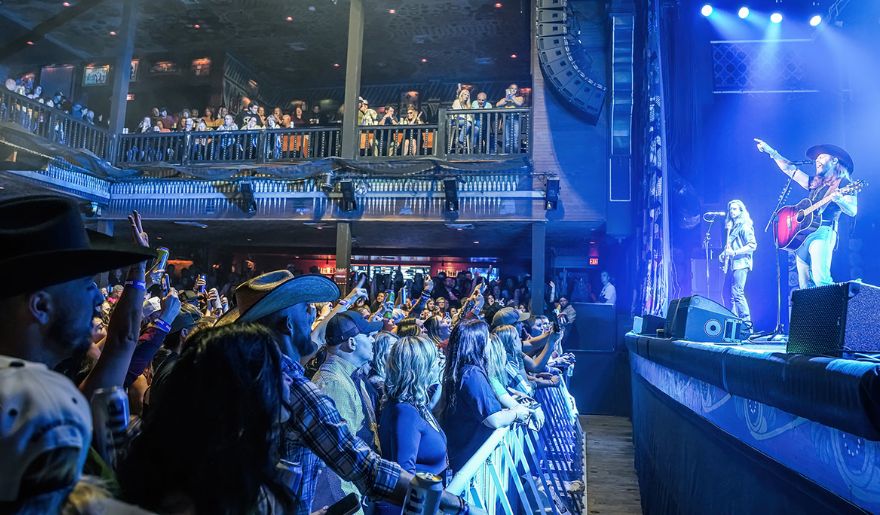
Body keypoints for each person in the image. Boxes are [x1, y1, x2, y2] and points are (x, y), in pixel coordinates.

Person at [217, 271, 469, 515]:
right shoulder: (294, 388)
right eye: (307, 309)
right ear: (288, 324)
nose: (313, 317)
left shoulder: (240, 379)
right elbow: (364, 467)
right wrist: (457, 504)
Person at [118, 324, 296, 514]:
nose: (289, 380)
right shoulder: (208, 494)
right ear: (244, 387)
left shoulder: (203, 462)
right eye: (277, 371)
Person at [755, 139, 858, 288]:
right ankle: (810, 311)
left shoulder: (843, 183)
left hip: (823, 231)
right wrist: (772, 152)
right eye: (816, 158)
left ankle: (831, 310)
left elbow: (853, 210)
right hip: (803, 233)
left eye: (822, 157)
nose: (817, 160)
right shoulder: (815, 182)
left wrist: (840, 200)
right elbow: (790, 170)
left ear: (835, 160)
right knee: (804, 284)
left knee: (820, 278)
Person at [312, 311, 384, 513]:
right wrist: (350, 504)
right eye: (368, 335)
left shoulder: (348, 377)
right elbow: (337, 454)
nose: (372, 340)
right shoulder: (333, 384)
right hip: (341, 495)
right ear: (351, 343)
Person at [440, 319, 531, 472]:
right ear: (478, 343)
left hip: (463, 454)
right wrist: (516, 413)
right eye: (487, 337)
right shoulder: (472, 374)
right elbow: (493, 419)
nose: (490, 341)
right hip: (469, 458)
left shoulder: (462, 370)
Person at [377, 336, 448, 515]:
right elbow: (405, 473)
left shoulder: (415, 404)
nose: (440, 362)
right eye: (434, 359)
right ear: (420, 366)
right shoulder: (404, 412)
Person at [718, 200, 756, 326]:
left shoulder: (744, 226)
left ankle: (746, 325)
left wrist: (734, 252)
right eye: (730, 209)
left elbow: (752, 245)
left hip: (741, 263)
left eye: (735, 209)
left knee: (737, 293)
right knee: (726, 293)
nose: (732, 211)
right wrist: (724, 253)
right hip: (731, 265)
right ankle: (734, 324)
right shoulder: (731, 227)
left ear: (741, 210)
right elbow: (730, 247)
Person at [496, 83, 525, 153]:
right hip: (507, 119)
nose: (514, 90)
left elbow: (519, 104)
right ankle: (507, 155)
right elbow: (498, 105)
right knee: (507, 139)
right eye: (512, 88)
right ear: (509, 89)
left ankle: (515, 156)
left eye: (515, 89)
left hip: (516, 119)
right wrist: (507, 99)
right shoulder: (505, 99)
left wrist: (512, 98)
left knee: (515, 139)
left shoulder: (519, 98)